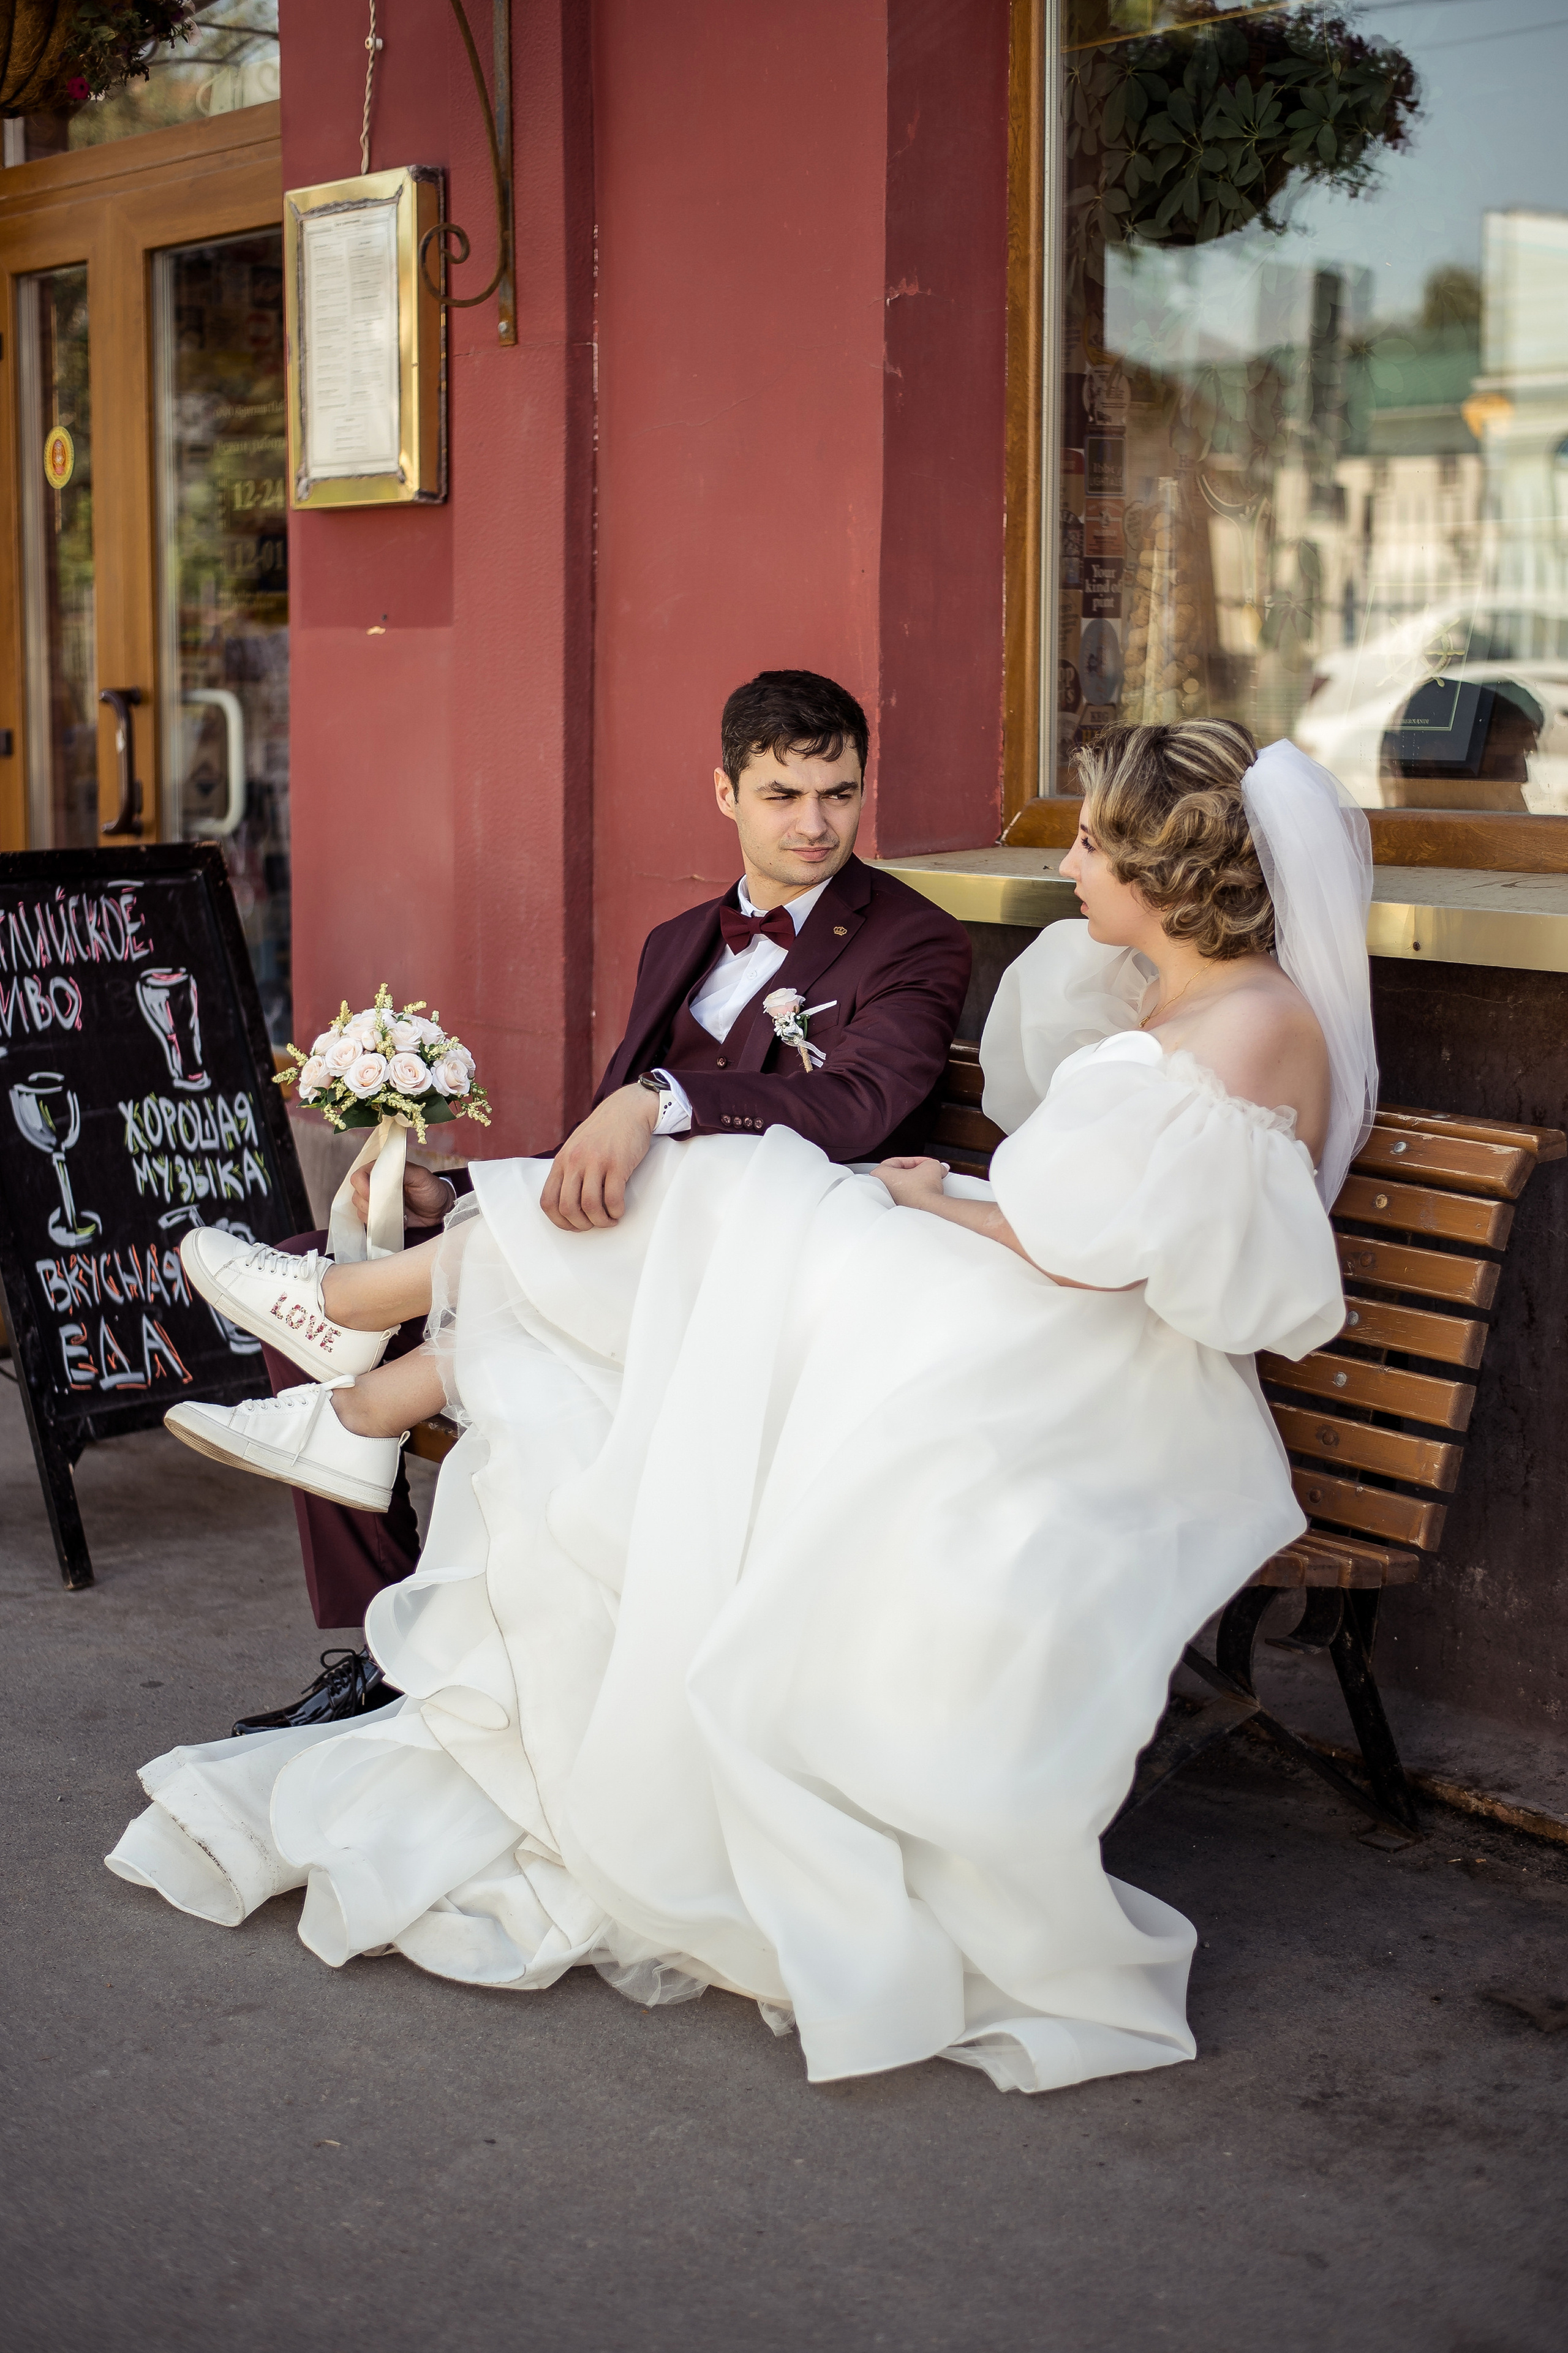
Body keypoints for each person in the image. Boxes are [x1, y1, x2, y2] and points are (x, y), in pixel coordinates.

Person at [108, 721, 1376, 2099]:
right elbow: (1104, 1200)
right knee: (717, 1202)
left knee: (726, 1190)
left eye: (1089, 843)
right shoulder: (1168, 989)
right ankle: (358, 1368)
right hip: (1010, 1302)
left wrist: (940, 1201)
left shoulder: (1255, 1022)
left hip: (1086, 1366)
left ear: (1157, 866)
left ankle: (351, 1347)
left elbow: (1130, 1255)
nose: (1065, 866)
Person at [215, 669, 971, 1732]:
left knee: (344, 1302)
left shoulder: (914, 939)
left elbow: (859, 1107)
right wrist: (454, 1188)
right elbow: (596, 1146)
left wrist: (662, 1094)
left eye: (838, 795)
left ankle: (409, 1596)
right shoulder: (677, 942)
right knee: (323, 1260)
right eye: (784, 796)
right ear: (725, 793)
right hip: (626, 1239)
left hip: (758, 1278)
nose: (815, 824)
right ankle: (382, 1647)